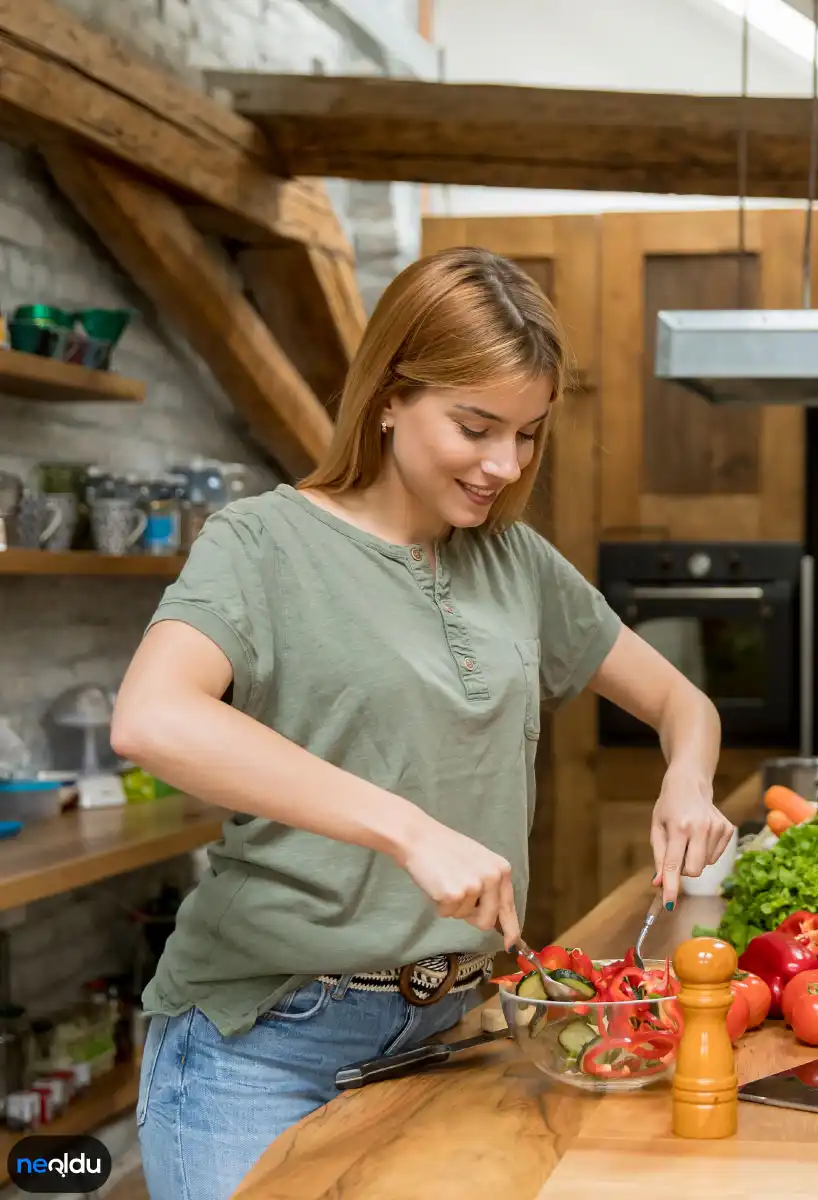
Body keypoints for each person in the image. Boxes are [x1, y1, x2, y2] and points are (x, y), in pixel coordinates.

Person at [113, 245, 735, 1200]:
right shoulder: (262, 542)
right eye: (476, 425)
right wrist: (407, 829)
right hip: (264, 1046)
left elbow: (681, 701)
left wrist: (686, 780)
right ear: (391, 395)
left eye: (527, 435)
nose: (503, 464)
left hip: (454, 1034)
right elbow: (152, 720)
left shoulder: (514, 563)